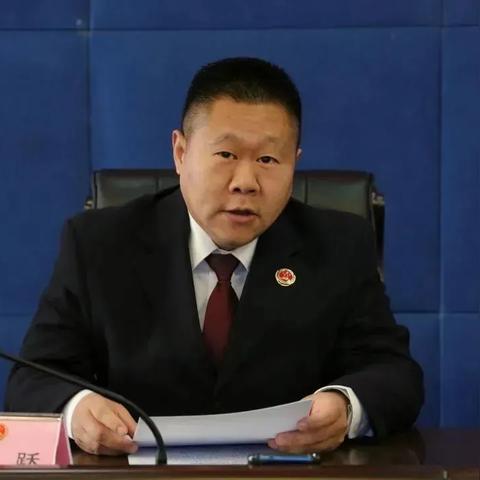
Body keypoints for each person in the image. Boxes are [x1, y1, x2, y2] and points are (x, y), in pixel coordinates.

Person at [5, 57, 423, 456]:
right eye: (226, 155)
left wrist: (345, 406)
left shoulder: (338, 246)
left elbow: (395, 374)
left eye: (268, 159)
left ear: (294, 163)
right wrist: (78, 409)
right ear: (181, 152)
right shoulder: (98, 244)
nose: (246, 182)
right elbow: (32, 378)